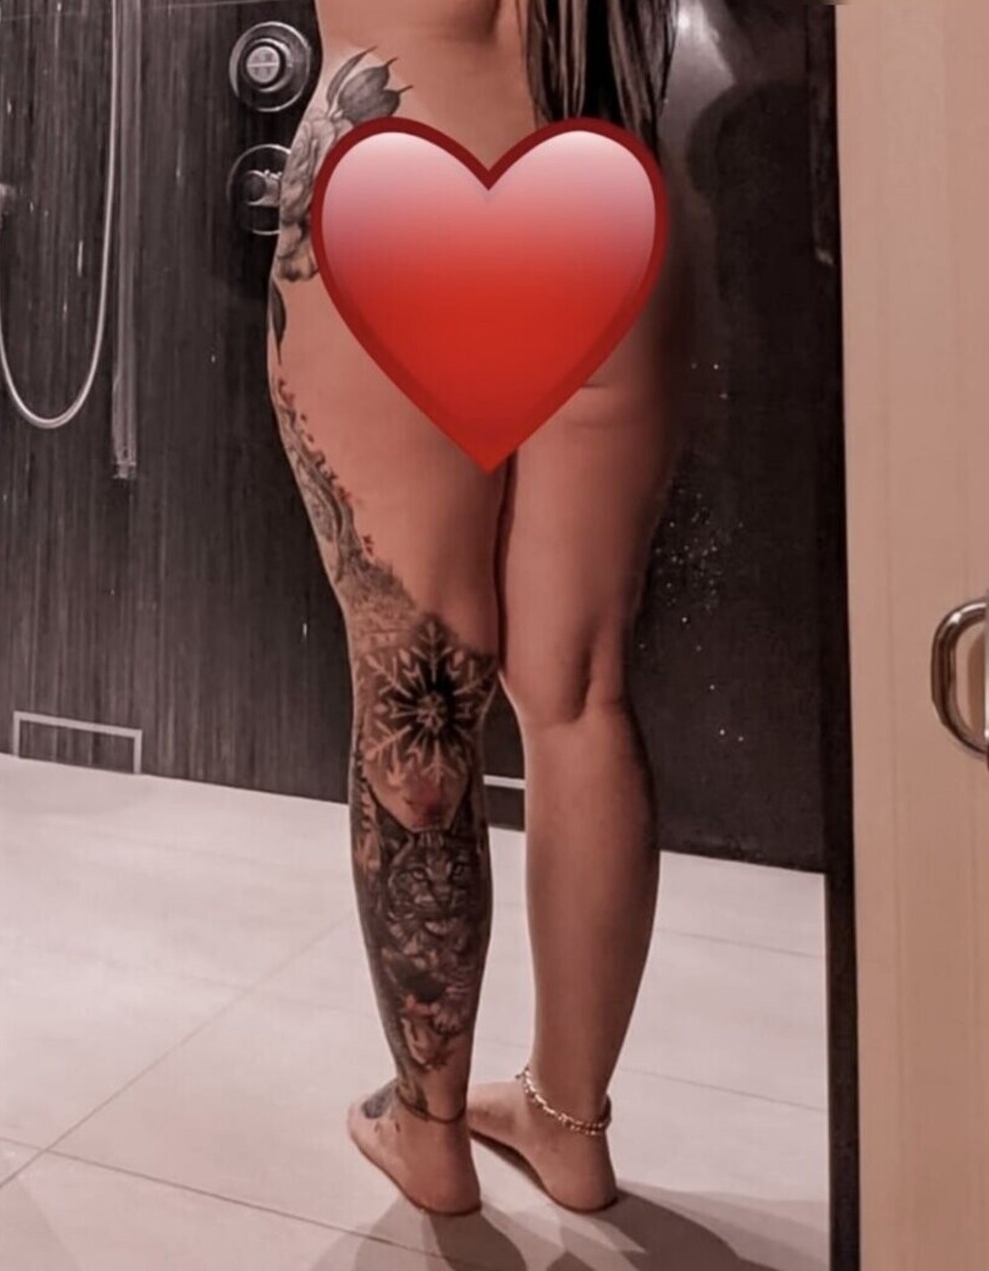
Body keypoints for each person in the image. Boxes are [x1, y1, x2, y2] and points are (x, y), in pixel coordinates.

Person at [267, 0, 684, 1217]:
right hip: (608, 175)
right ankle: (569, 1122)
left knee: (421, 676)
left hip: (403, 176)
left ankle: (430, 1128)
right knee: (583, 693)